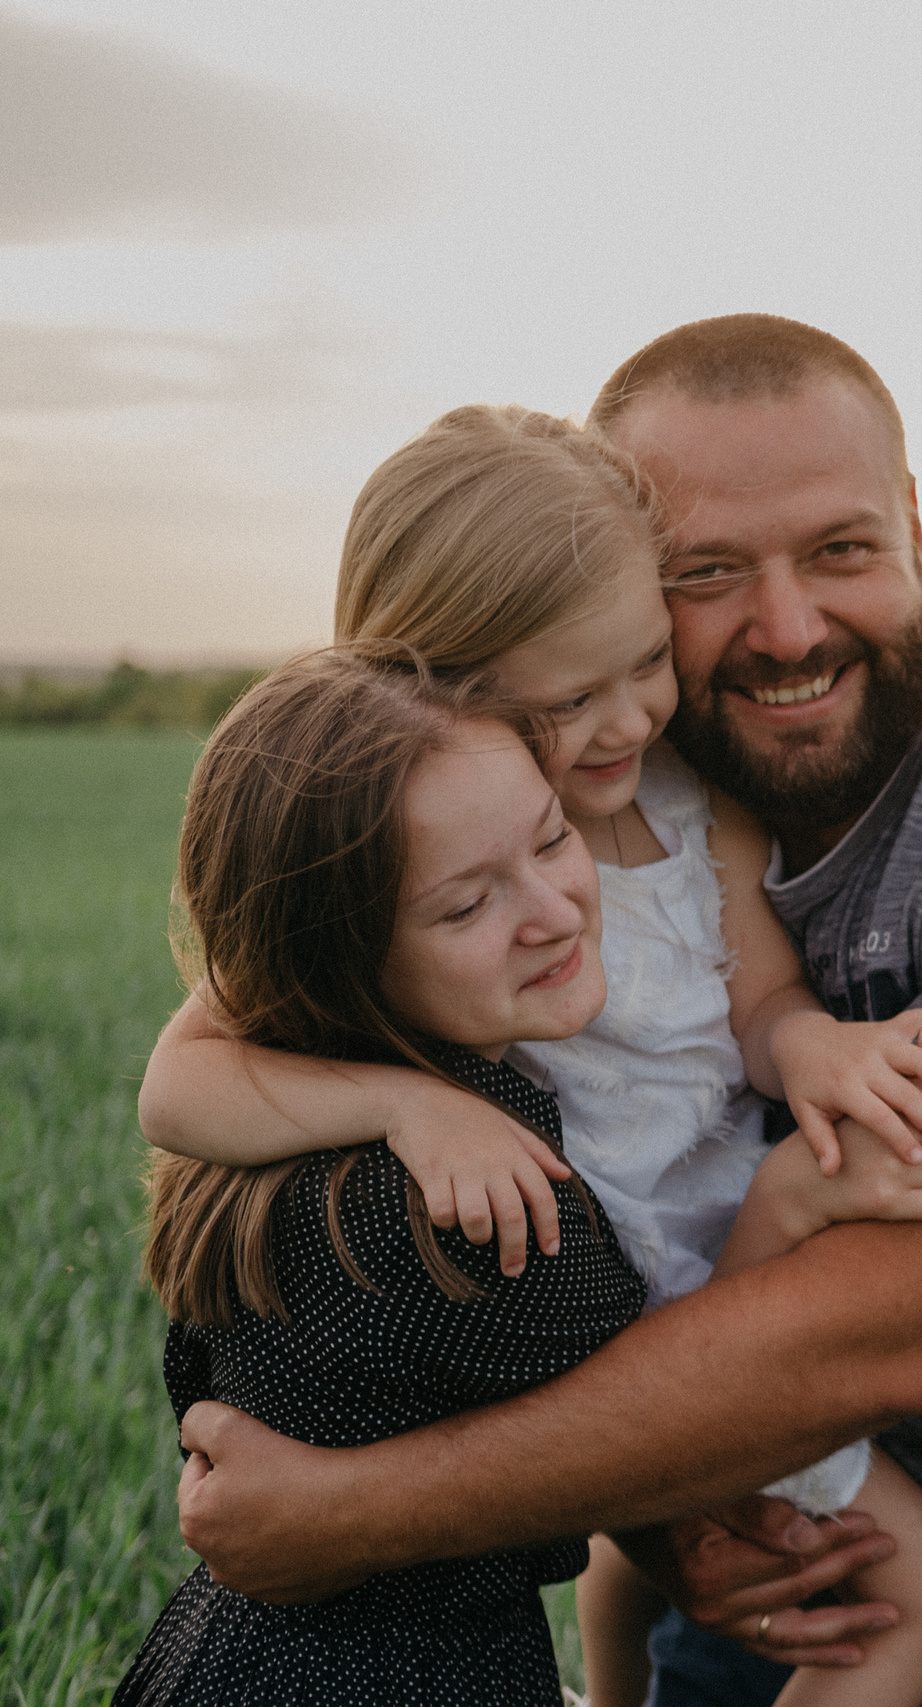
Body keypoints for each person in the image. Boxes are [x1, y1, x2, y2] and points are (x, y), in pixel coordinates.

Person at [168, 315, 922, 1707]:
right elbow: (226, 1044)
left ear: (913, 520)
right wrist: (667, 1518)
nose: (783, 628)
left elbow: (876, 1328)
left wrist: (347, 1514)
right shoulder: (561, 790)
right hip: (697, 1496)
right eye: (708, 573)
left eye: (840, 547)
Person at [137, 405, 922, 1706]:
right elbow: (182, 1078)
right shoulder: (435, 832)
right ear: (439, 686)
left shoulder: (685, 804)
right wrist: (406, 1107)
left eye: (644, 663)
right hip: (569, 1286)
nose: (628, 719)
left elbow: (760, 995)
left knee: (775, 1568)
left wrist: (814, 1048)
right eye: (571, 698)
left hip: (710, 1269)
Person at [114, 650, 649, 1703]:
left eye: (553, 837)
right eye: (463, 908)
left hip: (224, 1659)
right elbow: (669, 1401)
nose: (553, 910)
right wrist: (798, 1204)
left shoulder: (269, 1139)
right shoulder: (455, 1215)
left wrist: (402, 1097)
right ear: (340, 963)